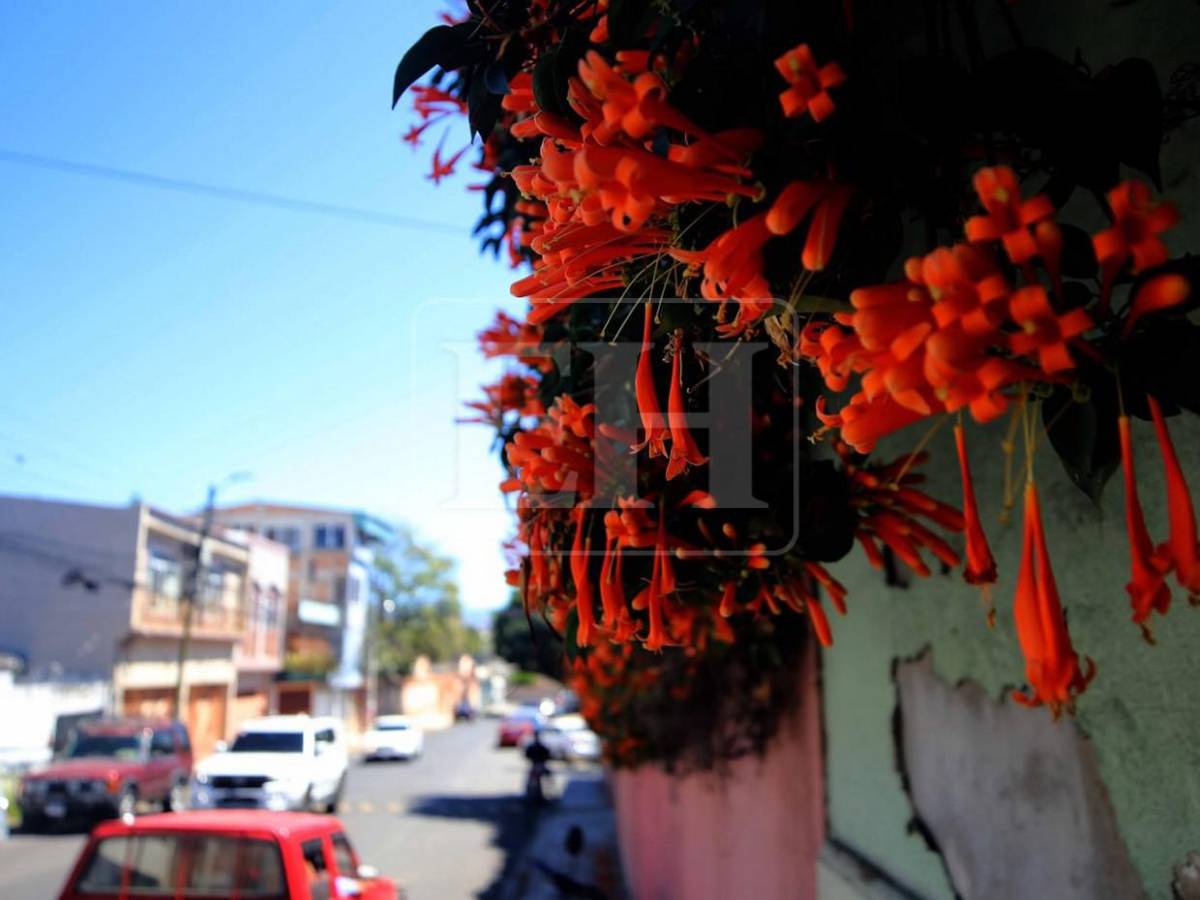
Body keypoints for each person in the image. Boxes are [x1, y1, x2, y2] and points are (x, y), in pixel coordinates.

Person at [524, 730, 551, 803]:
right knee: (534, 781)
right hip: (538, 764)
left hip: (537, 764)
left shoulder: (536, 746)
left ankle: (538, 795)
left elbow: (527, 755)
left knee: (540, 781)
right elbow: (547, 755)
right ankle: (535, 795)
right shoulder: (540, 746)